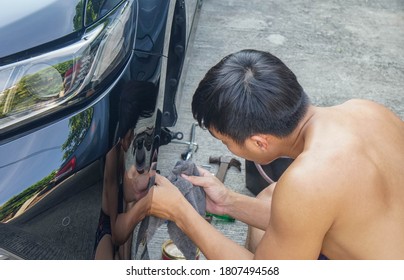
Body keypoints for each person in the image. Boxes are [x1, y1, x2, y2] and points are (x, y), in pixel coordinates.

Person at [143, 49, 404, 259]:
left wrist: (180, 212)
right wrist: (225, 202)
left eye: (225, 142)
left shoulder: (308, 184)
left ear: (259, 143)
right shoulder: (366, 110)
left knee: (276, 212)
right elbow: (310, 213)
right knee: (272, 196)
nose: (226, 148)